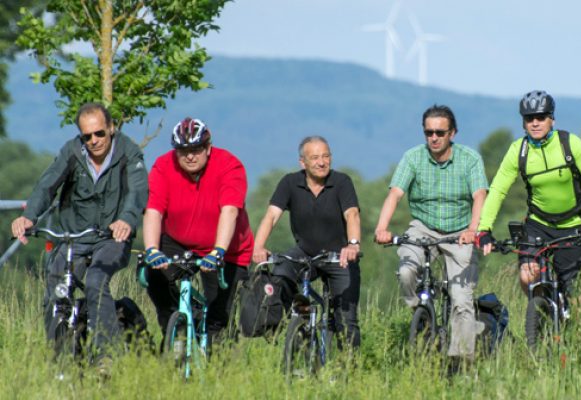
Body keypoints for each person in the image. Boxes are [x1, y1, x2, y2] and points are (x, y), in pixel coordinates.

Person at [11, 102, 148, 366]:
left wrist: (126, 220)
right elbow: (47, 184)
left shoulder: (129, 153)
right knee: (56, 287)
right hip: (74, 237)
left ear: (111, 128)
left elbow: (137, 192)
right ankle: (58, 356)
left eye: (99, 133)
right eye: (87, 136)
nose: (94, 141)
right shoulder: (72, 151)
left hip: (112, 238)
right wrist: (29, 217)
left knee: (96, 279)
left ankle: (106, 356)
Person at [476, 90, 581, 330]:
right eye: (529, 118)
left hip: (572, 226)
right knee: (528, 276)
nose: (535, 122)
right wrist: (483, 229)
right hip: (538, 224)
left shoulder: (569, 143)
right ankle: (540, 314)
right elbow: (497, 190)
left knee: (578, 298)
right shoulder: (519, 150)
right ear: (523, 122)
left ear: (552, 119)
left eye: (541, 117)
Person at [373, 105, 488, 364]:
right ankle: (420, 311)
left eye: (440, 132)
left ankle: (460, 362)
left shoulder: (470, 159)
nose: (434, 138)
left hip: (460, 230)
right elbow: (395, 194)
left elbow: (480, 195)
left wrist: (473, 230)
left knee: (461, 300)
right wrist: (381, 228)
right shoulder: (413, 157)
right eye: (428, 132)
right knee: (406, 271)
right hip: (423, 226)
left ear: (452, 133)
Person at [142, 117, 252, 343]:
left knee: (217, 323)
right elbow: (153, 211)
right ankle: (176, 330)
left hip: (226, 248)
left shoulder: (230, 165)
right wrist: (152, 249)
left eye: (196, 149)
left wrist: (218, 251)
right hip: (178, 241)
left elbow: (229, 211)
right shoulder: (163, 166)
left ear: (208, 147)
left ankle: (217, 360)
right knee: (155, 275)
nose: (190, 156)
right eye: (183, 151)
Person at [252, 136, 362, 350]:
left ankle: (350, 368)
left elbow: (352, 215)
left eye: (326, 156)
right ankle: (291, 323)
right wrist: (258, 246)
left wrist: (353, 245)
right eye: (315, 158)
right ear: (303, 162)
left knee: (346, 321)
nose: (322, 162)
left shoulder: (341, 182)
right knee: (280, 273)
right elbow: (271, 216)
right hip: (305, 252)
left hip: (339, 256)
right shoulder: (290, 182)